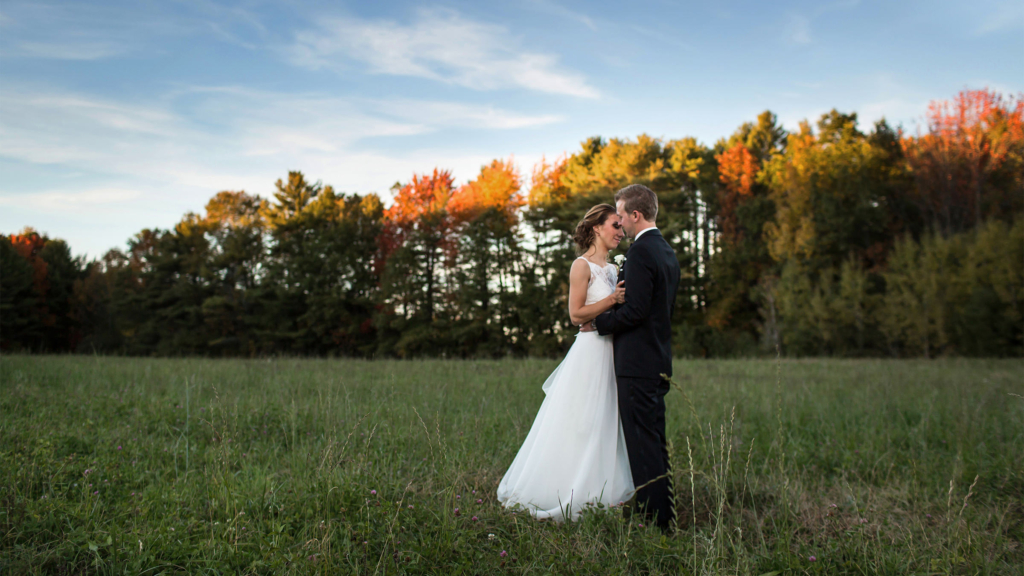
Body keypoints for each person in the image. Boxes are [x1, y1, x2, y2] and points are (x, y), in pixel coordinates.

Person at [496, 204, 633, 521]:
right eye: (615, 225)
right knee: (582, 422)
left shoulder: (614, 269)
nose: (621, 232)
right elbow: (575, 315)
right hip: (590, 353)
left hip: (613, 351)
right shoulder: (581, 266)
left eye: (622, 227)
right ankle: (566, 489)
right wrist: (611, 300)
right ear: (597, 227)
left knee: (607, 422)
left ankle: (605, 492)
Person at [591, 184, 681, 531]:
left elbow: (636, 312)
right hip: (657, 360)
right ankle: (662, 513)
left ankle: (657, 523)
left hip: (637, 364)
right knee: (654, 442)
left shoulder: (642, 252)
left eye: (622, 216)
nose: (620, 224)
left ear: (636, 215)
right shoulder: (666, 251)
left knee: (643, 447)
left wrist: (600, 321)